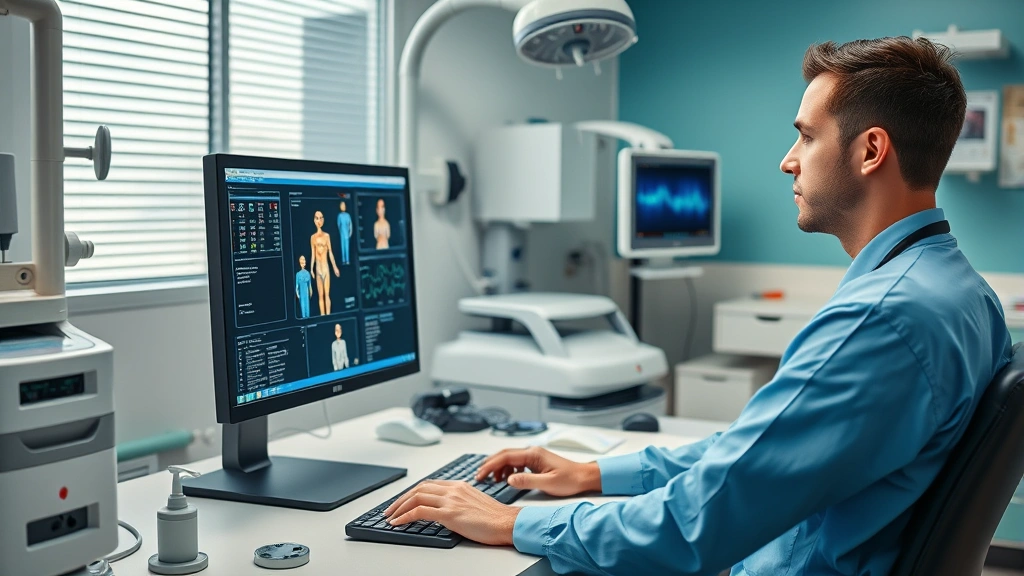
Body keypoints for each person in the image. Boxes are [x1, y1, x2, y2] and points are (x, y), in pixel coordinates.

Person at [381, 37, 1013, 575]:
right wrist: (596, 476)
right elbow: (757, 452)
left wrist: (515, 520)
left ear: (870, 150)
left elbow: (701, 520)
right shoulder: (961, 293)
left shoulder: (881, 319)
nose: (787, 160)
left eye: (807, 136)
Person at [310, 210, 340, 315]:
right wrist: (311, 269)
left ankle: (328, 316)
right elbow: (313, 254)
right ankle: (323, 317)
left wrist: (335, 267)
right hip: (318, 269)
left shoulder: (327, 236)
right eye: (317, 218)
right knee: (320, 295)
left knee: (327, 295)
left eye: (321, 218)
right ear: (314, 220)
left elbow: (330, 252)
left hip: (326, 268)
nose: (319, 220)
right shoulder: (312, 238)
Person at [295, 255, 312, 319]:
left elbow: (309, 285)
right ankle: (304, 317)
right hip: (301, 293)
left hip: (306, 292)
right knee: (302, 306)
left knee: (307, 306)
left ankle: (307, 317)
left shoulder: (307, 273)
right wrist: (298, 294)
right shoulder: (298, 274)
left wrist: (310, 292)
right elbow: (297, 286)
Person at [337, 200, 353, 265]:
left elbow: (350, 224)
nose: (343, 206)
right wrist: (341, 231)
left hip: (346, 233)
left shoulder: (348, 215)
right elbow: (338, 225)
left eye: (344, 205)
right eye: (342, 205)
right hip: (342, 233)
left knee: (347, 247)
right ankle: (343, 260)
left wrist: (350, 232)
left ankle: (347, 260)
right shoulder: (339, 216)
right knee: (342, 247)